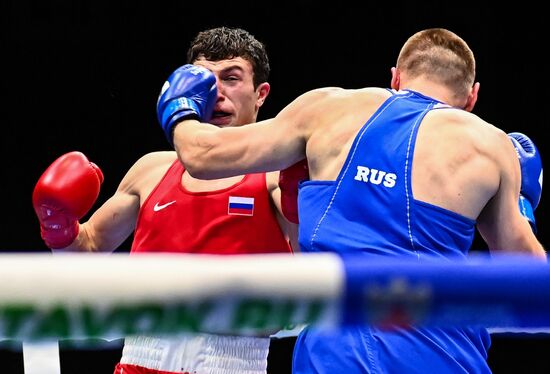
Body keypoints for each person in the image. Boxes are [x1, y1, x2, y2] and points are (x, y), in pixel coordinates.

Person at [155, 28, 546, 373]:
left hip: (337, 350)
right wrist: (522, 207)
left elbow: (202, 156)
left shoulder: (330, 108)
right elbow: (529, 280)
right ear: (472, 97)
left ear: (395, 78)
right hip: (445, 350)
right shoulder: (492, 145)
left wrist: (181, 108)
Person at [32, 26, 302, 374]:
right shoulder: (151, 170)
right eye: (203, 80)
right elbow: (86, 249)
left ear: (260, 93)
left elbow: (315, 262)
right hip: (139, 360)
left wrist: (301, 194)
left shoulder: (274, 177)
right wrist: (58, 226)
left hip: (233, 361)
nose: (216, 93)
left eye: (231, 78)